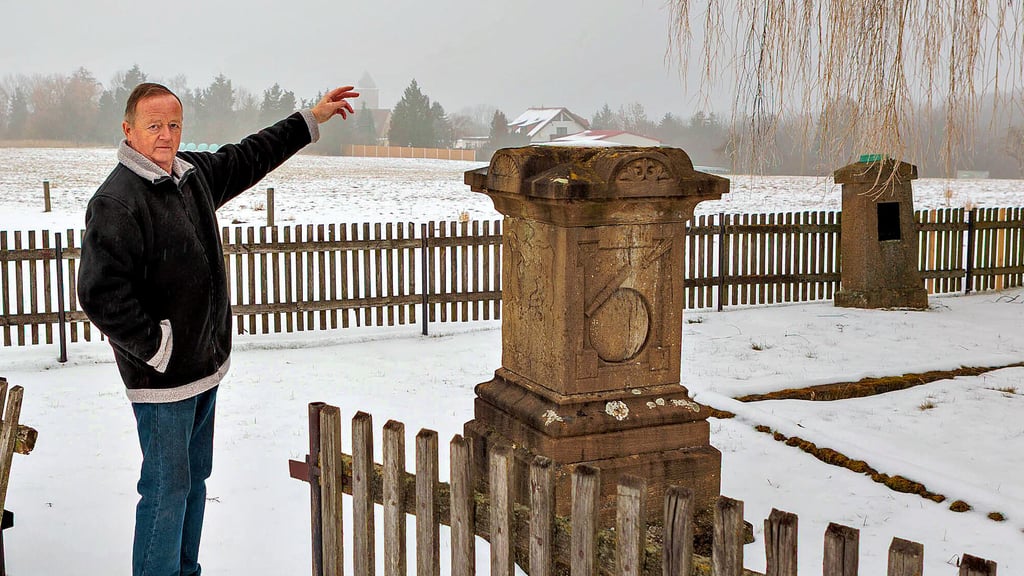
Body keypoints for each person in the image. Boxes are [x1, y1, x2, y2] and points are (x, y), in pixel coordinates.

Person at [77, 81, 358, 576]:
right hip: (163, 382)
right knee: (166, 489)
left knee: (193, 482)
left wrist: (310, 119)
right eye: (154, 126)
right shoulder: (118, 201)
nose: (166, 135)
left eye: (173, 125)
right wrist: (160, 348)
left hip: (204, 369)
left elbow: (250, 155)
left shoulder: (192, 176)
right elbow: (100, 294)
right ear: (128, 130)